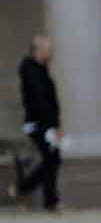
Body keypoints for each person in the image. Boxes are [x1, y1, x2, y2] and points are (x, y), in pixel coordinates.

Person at [12, 35, 62, 212]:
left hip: (42, 123)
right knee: (52, 157)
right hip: (38, 123)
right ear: (38, 50)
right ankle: (47, 200)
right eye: (48, 49)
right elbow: (40, 101)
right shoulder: (32, 70)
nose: (51, 53)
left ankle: (29, 191)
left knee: (52, 158)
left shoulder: (40, 70)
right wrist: (52, 126)